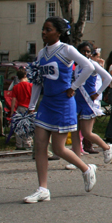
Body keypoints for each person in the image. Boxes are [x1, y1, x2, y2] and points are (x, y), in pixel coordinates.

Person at [23, 17, 98, 203]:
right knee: (39, 145)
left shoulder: (66, 50)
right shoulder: (41, 54)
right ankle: (43, 189)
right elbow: (38, 82)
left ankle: (87, 169)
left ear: (58, 32)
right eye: (43, 29)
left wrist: (74, 86)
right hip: (46, 103)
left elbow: (88, 66)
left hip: (64, 103)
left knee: (58, 148)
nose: (44, 32)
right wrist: (32, 106)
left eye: (48, 29)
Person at [72, 42, 112, 165]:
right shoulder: (77, 66)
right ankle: (76, 159)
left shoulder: (93, 65)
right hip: (77, 101)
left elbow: (108, 78)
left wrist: (98, 92)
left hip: (88, 102)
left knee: (86, 132)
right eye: (82, 51)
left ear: (91, 53)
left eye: (87, 51)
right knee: (75, 131)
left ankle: (106, 147)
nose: (85, 53)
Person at [9, 68, 33, 150]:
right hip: (29, 107)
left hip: (20, 108)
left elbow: (14, 100)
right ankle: (28, 143)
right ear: (25, 75)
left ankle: (19, 144)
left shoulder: (16, 87)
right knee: (28, 126)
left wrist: (12, 111)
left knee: (19, 126)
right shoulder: (30, 86)